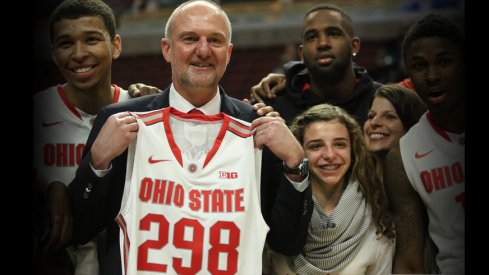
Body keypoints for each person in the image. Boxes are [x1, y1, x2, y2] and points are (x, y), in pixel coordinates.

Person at [67, 1, 304, 274]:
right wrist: (97, 163)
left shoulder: (258, 129)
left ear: (228, 53)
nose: (203, 51)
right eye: (190, 39)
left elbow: (287, 242)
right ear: (167, 49)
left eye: (214, 41)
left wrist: (296, 165)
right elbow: (81, 229)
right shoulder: (119, 121)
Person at [33, 0, 130, 274]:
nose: (78, 54)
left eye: (91, 40)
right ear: (53, 53)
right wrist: (50, 185)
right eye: (66, 44)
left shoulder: (141, 109)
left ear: (116, 45)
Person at [265, 103, 395, 274]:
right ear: (299, 151)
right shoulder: (278, 212)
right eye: (316, 146)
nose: (330, 155)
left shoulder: (378, 217)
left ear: (353, 150)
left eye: (340, 144)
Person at [383, 13, 464, 274]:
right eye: (419, 66)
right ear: (408, 74)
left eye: (444, 62)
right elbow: (409, 261)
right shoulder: (404, 156)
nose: (432, 75)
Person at [248, 3, 381, 128]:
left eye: (333, 34)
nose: (323, 43)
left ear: (354, 46)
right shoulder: (272, 108)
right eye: (312, 37)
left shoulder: (382, 102)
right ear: (301, 54)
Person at [363, 83, 426, 181]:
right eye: (371, 116)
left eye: (389, 116)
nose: (374, 122)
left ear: (411, 127)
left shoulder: (426, 184)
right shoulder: (351, 184)